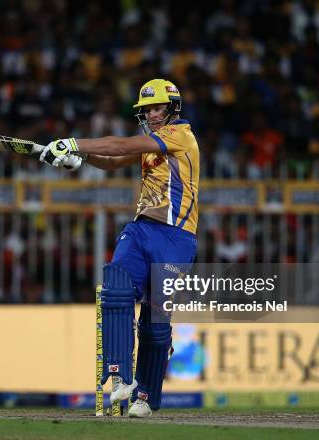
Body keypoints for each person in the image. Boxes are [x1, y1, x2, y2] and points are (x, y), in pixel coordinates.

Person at [40, 79, 200, 417]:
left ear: (172, 108)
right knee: (116, 286)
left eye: (157, 108)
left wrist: (71, 141)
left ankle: (145, 397)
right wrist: (78, 157)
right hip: (142, 230)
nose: (151, 114)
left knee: (156, 328)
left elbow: (119, 145)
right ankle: (119, 378)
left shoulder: (180, 135)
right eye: (146, 110)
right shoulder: (153, 142)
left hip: (176, 237)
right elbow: (112, 161)